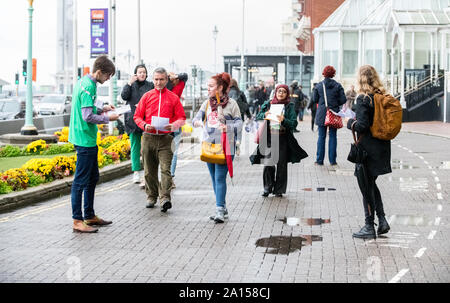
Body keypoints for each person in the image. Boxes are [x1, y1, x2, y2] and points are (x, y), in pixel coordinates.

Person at [69, 55, 120, 233]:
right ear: (99, 72)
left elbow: (88, 108)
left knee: (92, 178)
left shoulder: (83, 81)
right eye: (107, 76)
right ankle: (77, 220)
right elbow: (87, 116)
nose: (107, 80)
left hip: (86, 137)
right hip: (84, 138)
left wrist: (102, 108)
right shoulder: (89, 86)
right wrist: (108, 118)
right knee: (81, 181)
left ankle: (89, 215)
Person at [346, 65, 391, 239]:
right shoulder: (381, 96)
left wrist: (350, 123)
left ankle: (368, 225)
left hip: (367, 150)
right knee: (371, 184)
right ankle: (383, 221)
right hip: (382, 147)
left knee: (365, 187)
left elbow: (363, 125)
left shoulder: (363, 98)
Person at [134, 67, 186, 212]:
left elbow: (181, 118)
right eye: (156, 79)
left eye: (161, 79)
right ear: (153, 79)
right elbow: (137, 116)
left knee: (165, 170)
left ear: (166, 80)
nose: (158, 82)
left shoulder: (173, 98)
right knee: (149, 171)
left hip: (166, 139)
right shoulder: (147, 96)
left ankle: (165, 198)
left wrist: (173, 125)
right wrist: (144, 125)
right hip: (148, 137)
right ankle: (151, 196)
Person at [192, 72, 242, 223]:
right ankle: (222, 207)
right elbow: (195, 118)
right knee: (214, 178)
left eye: (211, 86)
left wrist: (228, 126)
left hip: (226, 145)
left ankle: (219, 209)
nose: (208, 89)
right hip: (209, 145)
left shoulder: (232, 104)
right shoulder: (206, 103)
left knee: (220, 177)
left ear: (220, 87)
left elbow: (240, 123)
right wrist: (198, 123)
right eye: (207, 86)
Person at [250, 84, 307, 197]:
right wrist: (264, 114)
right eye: (279, 91)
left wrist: (284, 120)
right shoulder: (268, 104)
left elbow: (293, 124)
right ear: (275, 92)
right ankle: (267, 188)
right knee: (268, 163)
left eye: (284, 92)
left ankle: (279, 190)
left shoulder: (289, 106)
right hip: (269, 137)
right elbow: (258, 116)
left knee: (281, 165)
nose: (281, 93)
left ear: (287, 94)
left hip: (283, 138)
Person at [121, 64, 154, 184]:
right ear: (135, 74)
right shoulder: (131, 85)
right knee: (135, 147)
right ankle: (136, 172)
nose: (142, 74)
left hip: (147, 121)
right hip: (133, 121)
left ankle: (147, 172)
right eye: (139, 72)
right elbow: (124, 96)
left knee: (147, 148)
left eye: (144, 72)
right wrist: (129, 83)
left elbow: (154, 100)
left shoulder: (150, 85)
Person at [312, 65, 346, 166]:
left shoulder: (318, 86)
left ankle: (319, 160)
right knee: (333, 136)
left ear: (324, 73)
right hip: (333, 113)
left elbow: (314, 99)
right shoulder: (338, 86)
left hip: (322, 113)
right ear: (333, 74)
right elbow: (343, 99)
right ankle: (332, 161)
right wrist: (335, 104)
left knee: (321, 136)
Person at [167, 72, 188, 187]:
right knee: (173, 152)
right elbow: (185, 76)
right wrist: (177, 77)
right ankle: (170, 177)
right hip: (176, 123)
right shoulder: (180, 85)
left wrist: (171, 78)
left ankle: (167, 176)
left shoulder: (166, 89)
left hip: (167, 124)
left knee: (166, 152)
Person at [228, 78, 251, 156]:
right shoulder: (240, 92)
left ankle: (232, 146)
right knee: (239, 130)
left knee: (230, 131)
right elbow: (246, 104)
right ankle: (238, 142)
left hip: (229, 116)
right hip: (239, 114)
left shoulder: (226, 93)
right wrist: (249, 115)